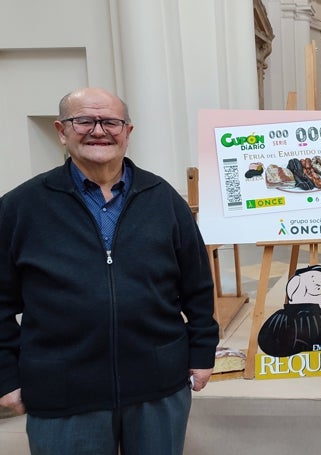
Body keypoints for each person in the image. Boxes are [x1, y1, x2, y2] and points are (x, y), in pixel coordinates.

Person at [0, 87, 220, 454]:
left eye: (111, 122)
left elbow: (197, 285)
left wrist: (202, 353)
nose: (99, 130)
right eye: (84, 120)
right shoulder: (20, 207)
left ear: (128, 132)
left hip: (157, 385)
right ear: (61, 130)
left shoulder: (163, 199)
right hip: (62, 391)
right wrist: (5, 374)